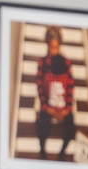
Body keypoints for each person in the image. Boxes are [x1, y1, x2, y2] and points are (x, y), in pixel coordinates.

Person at [33, 26, 77, 161]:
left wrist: (67, 108)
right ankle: (42, 149)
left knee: (71, 127)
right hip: (47, 100)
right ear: (47, 46)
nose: (54, 50)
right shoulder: (42, 62)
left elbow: (70, 85)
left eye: (56, 47)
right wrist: (47, 107)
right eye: (52, 47)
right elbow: (40, 85)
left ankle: (62, 151)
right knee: (42, 123)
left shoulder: (66, 62)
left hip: (63, 100)